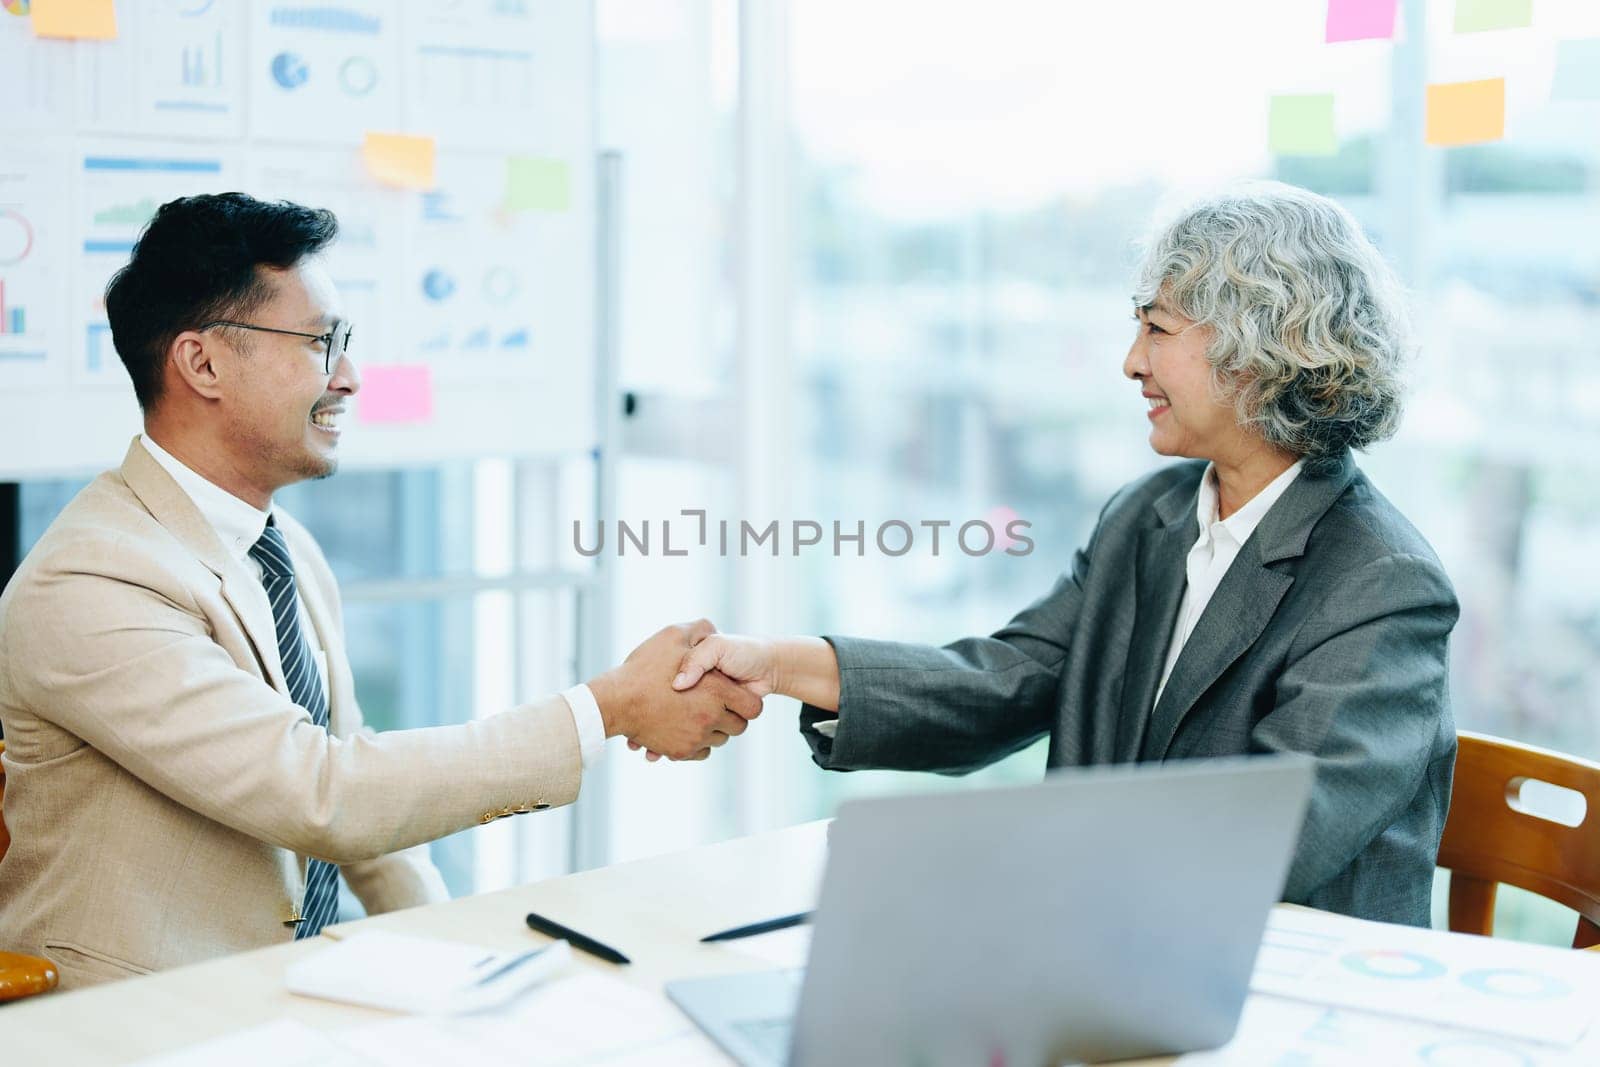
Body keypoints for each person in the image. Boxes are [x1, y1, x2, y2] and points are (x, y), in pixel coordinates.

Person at [0, 193, 758, 990]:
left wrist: (463, 961)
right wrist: (606, 708)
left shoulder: (283, 548)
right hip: (130, 1020)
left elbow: (367, 819)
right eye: (321, 343)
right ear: (202, 363)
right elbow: (324, 792)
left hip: (276, 995)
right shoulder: (87, 582)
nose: (350, 378)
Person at [670, 183, 1459, 926]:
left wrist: (1003, 860)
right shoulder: (1147, 516)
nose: (1131, 361)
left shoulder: (1382, 585)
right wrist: (773, 665)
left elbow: (1272, 838)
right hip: (1116, 956)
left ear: (1258, 347)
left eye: (1157, 328)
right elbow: (1005, 679)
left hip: (1286, 1007)